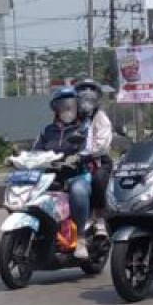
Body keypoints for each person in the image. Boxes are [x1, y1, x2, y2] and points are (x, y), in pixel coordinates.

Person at [32, 87, 91, 259]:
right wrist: (18, 158)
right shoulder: (47, 131)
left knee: (78, 192)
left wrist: (78, 157)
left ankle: (80, 238)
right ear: (56, 109)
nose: (67, 109)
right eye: (62, 106)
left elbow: (89, 148)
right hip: (50, 176)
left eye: (70, 106)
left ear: (77, 107)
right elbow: (35, 151)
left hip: (77, 175)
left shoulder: (84, 128)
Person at [74, 78, 114, 220]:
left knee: (98, 181)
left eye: (91, 91)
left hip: (98, 160)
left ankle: (100, 219)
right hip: (73, 160)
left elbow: (102, 145)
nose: (87, 94)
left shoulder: (100, 117)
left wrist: (86, 154)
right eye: (82, 91)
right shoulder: (71, 118)